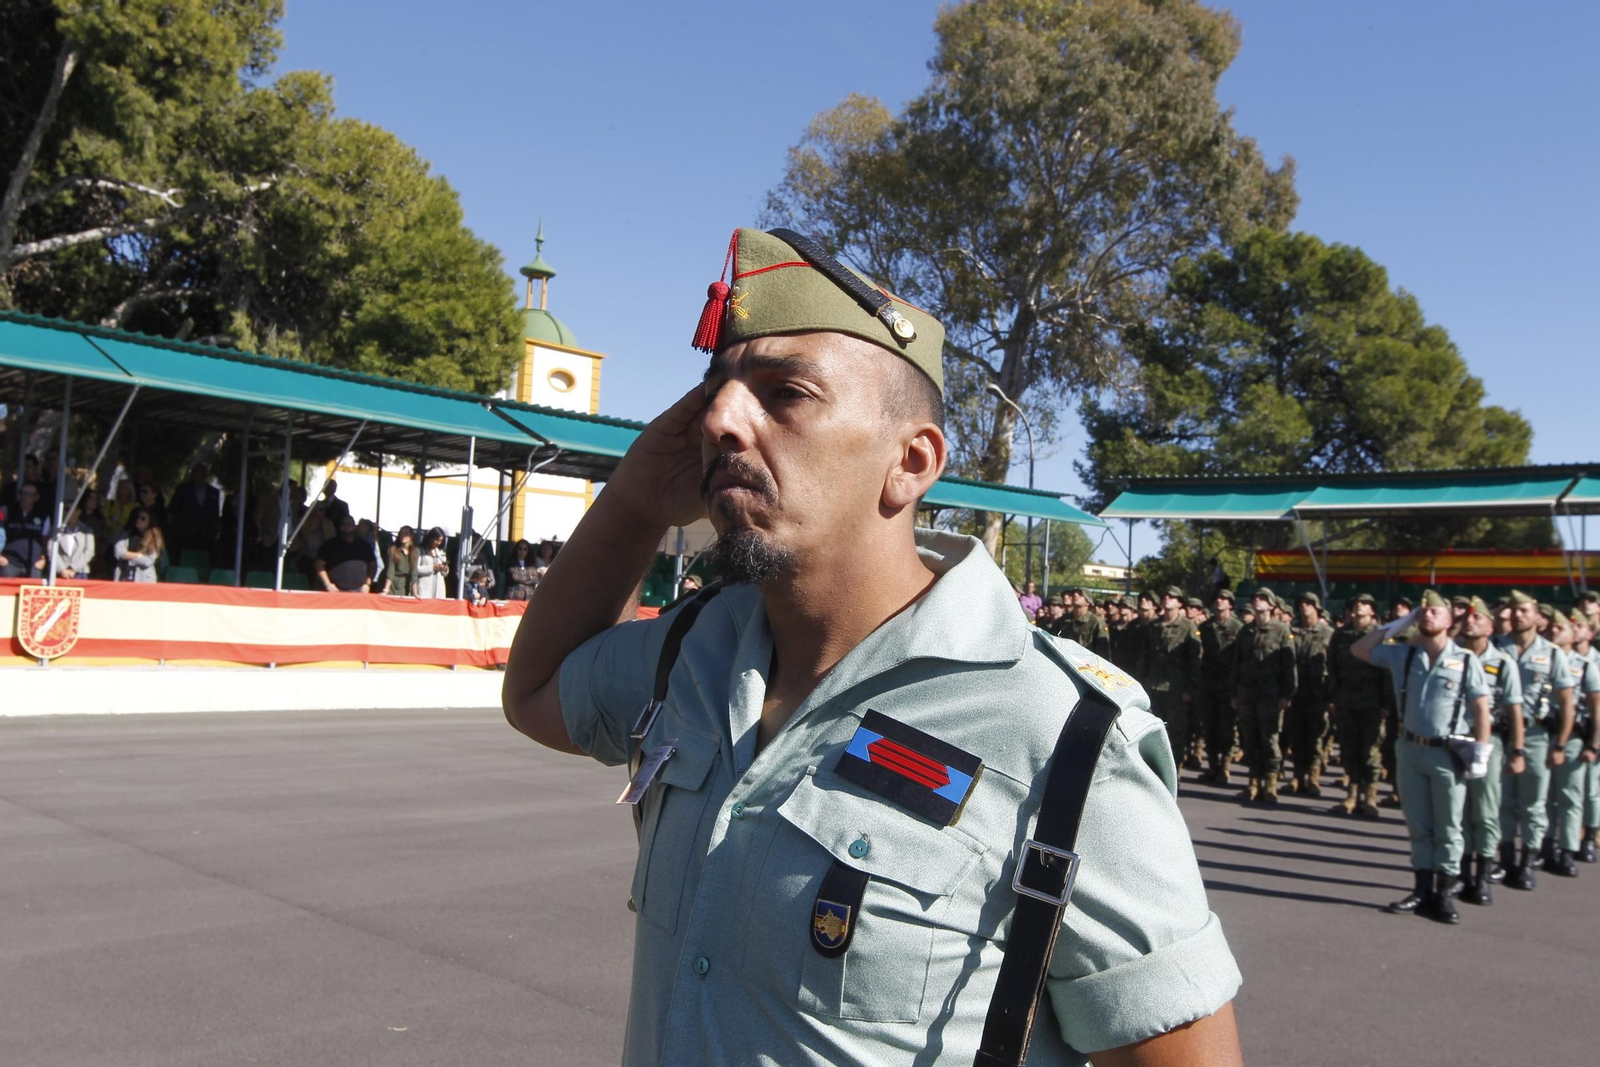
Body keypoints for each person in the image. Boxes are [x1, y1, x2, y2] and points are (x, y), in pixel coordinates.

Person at [501, 226, 1243, 1065]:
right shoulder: (695, 652)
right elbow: (535, 694)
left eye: (785, 393)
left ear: (911, 461)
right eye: (714, 391)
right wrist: (636, 499)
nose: (718, 419)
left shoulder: (1061, 735)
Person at [1354, 590, 1491, 924]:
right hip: (1410, 749)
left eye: (1436, 612)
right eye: (1424, 612)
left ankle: (1444, 894)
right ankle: (1422, 889)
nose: (1429, 615)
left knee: (1448, 827)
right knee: (1418, 825)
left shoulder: (1466, 660)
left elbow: (1481, 709)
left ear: (1449, 620)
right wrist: (1402, 622)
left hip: (1448, 753)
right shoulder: (1404, 655)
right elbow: (1360, 649)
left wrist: (1480, 754)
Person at [1494, 589, 1575, 891]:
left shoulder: (1552, 654)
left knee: (1533, 804)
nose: (1517, 615)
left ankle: (1528, 862)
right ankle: (1505, 860)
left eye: (1524, 610)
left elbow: (1566, 702)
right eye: (1514, 610)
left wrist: (1561, 744)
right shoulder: (1495, 647)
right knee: (1501, 800)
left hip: (1536, 734)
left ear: (1538, 617)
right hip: (1500, 734)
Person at [1453, 597, 1522, 905]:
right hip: (1453, 741)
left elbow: (1514, 710)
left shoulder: (1504, 662)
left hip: (1487, 743)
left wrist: (1517, 750)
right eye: (1467, 617)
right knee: (1459, 812)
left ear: (1490, 626)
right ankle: (1462, 873)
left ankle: (1483, 875)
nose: (1470, 622)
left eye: (1477, 618)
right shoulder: (1451, 656)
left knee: (1485, 811)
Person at [1545, 610, 1600, 876]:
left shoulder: (1586, 665)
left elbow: (1596, 707)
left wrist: (1594, 744)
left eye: (1561, 628)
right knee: (1543, 798)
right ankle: (1545, 848)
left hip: (1574, 738)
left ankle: (1570, 847)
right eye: (1552, 628)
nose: (1554, 632)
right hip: (1543, 734)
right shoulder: (1542, 660)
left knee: (1572, 796)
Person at [1327, 594, 1390, 817]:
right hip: (1347, 700)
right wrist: (1332, 697)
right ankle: (1352, 794)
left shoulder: (1380, 634)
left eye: (1364, 604)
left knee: (1371, 750)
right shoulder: (1341, 634)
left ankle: (1370, 796)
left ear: (1372, 610)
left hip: (1372, 702)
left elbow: (1387, 673)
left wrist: (1386, 703)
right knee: (1349, 749)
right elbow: (1332, 667)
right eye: (1356, 604)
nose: (1359, 606)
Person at [1231, 588, 1296, 803]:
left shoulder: (1281, 631)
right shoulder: (1245, 631)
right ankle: (1253, 783)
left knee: (1270, 740)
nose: (1257, 601)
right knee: (1250, 739)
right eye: (1255, 598)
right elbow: (1237, 664)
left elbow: (1289, 666)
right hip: (1248, 694)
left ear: (1271, 605)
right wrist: (1235, 693)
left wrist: (1287, 694)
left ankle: (1271, 784)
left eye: (1262, 599)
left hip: (1271, 695)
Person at [1144, 586, 1201, 765]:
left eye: (1172, 597)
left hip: (1176, 689)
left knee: (1176, 733)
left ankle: (1175, 769)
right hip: (1152, 687)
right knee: (1153, 732)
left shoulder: (1187, 626)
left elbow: (1195, 661)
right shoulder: (1153, 625)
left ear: (1179, 603)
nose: (1167, 598)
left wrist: (1190, 689)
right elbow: (1143, 658)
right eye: (1165, 596)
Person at [1285, 592, 1334, 796]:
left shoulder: (1328, 633)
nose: (1304, 607)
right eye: (1301, 603)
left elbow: (1334, 666)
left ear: (1317, 608)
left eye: (1309, 603)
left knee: (1315, 737)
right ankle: (1297, 776)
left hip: (1318, 693)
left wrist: (1331, 696)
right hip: (1296, 693)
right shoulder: (1292, 631)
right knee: (1296, 736)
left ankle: (1313, 777)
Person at [1197, 590, 1244, 784]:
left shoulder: (1238, 628)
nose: (1219, 601)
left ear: (1231, 605)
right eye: (1217, 598)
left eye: (1224, 599)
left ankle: (1225, 766)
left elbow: (1241, 660)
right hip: (1208, 684)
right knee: (1209, 727)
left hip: (1228, 685)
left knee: (1226, 728)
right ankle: (1213, 766)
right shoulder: (1205, 627)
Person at [166, 463, 221, 557]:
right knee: (184, 555)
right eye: (199, 472)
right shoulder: (183, 489)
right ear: (194, 473)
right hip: (185, 532)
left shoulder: (214, 492)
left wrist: (213, 530)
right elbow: (174, 508)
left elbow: (215, 513)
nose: (201, 474)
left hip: (205, 533)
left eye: (203, 472)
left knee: (202, 557)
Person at [1, 481, 52, 577]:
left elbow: (45, 541)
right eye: (21, 493)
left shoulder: (43, 516)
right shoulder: (6, 510)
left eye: (28, 494)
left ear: (36, 497)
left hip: (34, 565)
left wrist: (43, 560)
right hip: (9, 564)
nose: (24, 497)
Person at [314, 516, 376, 593]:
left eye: (349, 524)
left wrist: (367, 584)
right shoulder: (330, 545)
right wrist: (328, 584)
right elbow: (319, 564)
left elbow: (373, 565)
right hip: (337, 590)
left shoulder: (364, 545)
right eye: (343, 524)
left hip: (360, 591)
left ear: (354, 526)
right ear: (339, 526)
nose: (346, 526)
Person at [112, 508, 163, 582]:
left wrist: (128, 557)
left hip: (144, 579)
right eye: (137, 517)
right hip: (125, 576)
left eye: (143, 518)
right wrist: (139, 555)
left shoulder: (155, 537)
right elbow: (119, 553)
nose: (139, 520)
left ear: (150, 521)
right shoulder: (127, 534)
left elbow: (148, 560)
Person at [1061, 587, 1110, 657]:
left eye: (1080, 594)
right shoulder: (1063, 620)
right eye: (1074, 593)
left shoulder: (1096, 622)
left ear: (1088, 602)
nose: (1075, 595)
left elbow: (1103, 651)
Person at [51, 505, 96, 579]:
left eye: (73, 508)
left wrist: (73, 568)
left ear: (79, 511)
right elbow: (52, 550)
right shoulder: (56, 529)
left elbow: (89, 552)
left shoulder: (87, 530)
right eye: (67, 508)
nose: (69, 511)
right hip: (61, 572)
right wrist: (62, 569)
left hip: (81, 572)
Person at [382, 525, 419, 596]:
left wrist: (415, 593)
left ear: (411, 536)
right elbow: (390, 571)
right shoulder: (393, 549)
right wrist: (386, 590)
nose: (403, 536)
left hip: (404, 584)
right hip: (391, 584)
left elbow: (414, 573)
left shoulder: (415, 552)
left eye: (406, 534)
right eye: (401, 533)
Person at [414, 527, 449, 599]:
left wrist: (445, 569)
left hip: (439, 591)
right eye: (436, 540)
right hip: (424, 589)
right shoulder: (420, 550)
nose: (438, 543)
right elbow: (415, 569)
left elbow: (445, 573)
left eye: (440, 541)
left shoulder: (441, 552)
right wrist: (432, 567)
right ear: (430, 537)